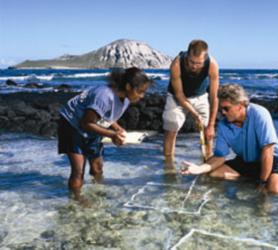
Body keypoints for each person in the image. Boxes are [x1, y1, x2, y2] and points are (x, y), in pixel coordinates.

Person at [181, 84, 278, 195]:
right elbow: (219, 156)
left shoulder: (259, 114)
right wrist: (199, 169)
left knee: (275, 191)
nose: (222, 112)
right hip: (246, 161)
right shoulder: (223, 125)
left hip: (274, 159)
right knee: (214, 174)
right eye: (221, 109)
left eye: (226, 108)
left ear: (240, 105)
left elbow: (267, 150)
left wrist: (263, 182)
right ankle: (253, 180)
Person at [58, 67, 152, 197]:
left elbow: (106, 115)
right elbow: (86, 123)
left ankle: (98, 192)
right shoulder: (104, 95)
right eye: (140, 92)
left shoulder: (125, 99)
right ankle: (77, 201)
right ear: (128, 86)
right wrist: (112, 135)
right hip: (72, 125)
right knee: (78, 171)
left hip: (91, 126)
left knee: (97, 167)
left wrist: (116, 128)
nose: (142, 96)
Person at [162, 39, 219, 164]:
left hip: (201, 96)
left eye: (199, 63)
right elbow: (179, 95)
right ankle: (168, 165)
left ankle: (207, 163)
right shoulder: (177, 64)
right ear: (187, 55)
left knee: (207, 133)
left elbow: (214, 97)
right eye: (192, 62)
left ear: (205, 59)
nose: (194, 66)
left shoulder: (212, 64)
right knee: (171, 128)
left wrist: (211, 125)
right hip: (177, 97)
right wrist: (195, 114)